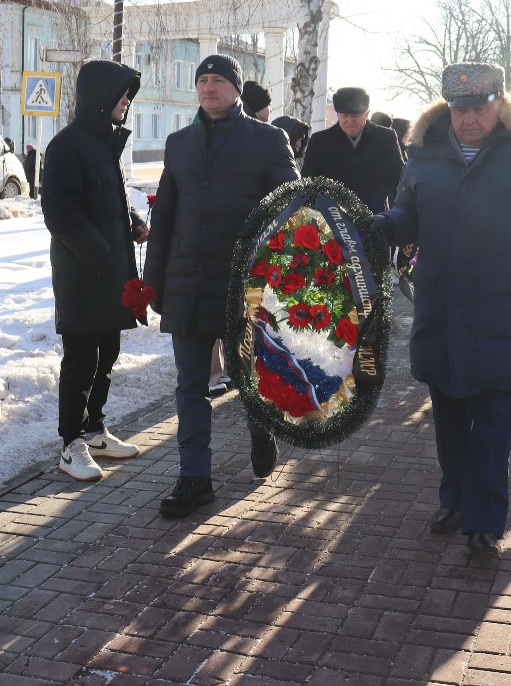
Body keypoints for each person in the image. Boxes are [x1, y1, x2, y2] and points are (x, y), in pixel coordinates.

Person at [370, 62, 511, 558]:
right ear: (448, 109)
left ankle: (484, 520)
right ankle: (455, 498)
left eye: (479, 108)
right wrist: (386, 227)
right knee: (448, 415)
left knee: (494, 421)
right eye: (461, 110)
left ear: (499, 105)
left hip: (504, 312)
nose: (469, 120)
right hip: (440, 310)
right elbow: (408, 213)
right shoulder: (423, 155)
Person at [144, 54, 300, 519]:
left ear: (235, 89)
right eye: (203, 81)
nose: (209, 88)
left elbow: (293, 210)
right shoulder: (179, 144)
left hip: (244, 287)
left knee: (250, 376)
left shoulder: (268, 140)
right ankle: (195, 478)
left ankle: (261, 428)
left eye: (218, 81)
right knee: (190, 386)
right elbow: (165, 215)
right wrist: (151, 283)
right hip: (188, 282)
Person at [41, 60, 149, 483]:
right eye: (122, 94)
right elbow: (61, 213)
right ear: (102, 98)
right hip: (83, 275)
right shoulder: (67, 146)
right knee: (82, 359)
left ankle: (94, 429)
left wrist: (133, 223)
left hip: (111, 273)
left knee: (108, 355)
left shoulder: (106, 145)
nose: (127, 102)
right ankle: (71, 443)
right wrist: (103, 254)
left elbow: (108, 200)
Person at [302, 86, 404, 213]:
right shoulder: (320, 141)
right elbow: (307, 185)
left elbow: (399, 181)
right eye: (345, 116)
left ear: (367, 114)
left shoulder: (385, 138)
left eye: (355, 115)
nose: (350, 121)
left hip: (376, 219)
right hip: (332, 222)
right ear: (337, 114)